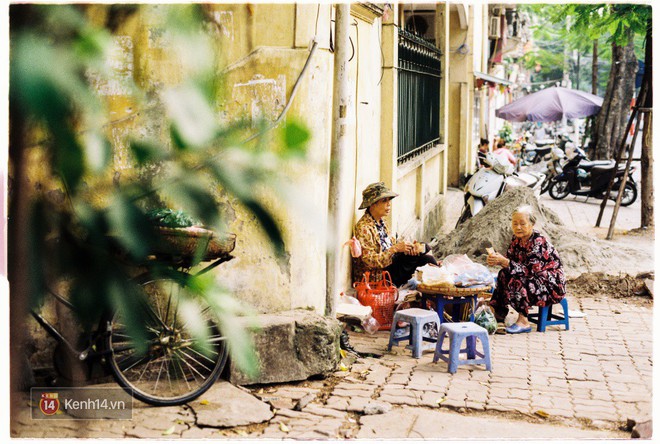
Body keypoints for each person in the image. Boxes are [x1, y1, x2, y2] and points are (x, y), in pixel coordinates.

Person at [486, 205, 566, 334]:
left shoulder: (538, 242)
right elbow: (511, 263)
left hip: (550, 284)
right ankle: (498, 313)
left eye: (522, 224)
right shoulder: (516, 239)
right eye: (515, 223)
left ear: (532, 224)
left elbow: (532, 271)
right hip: (530, 278)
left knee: (518, 279)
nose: (518, 227)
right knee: (503, 274)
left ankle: (523, 321)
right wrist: (497, 260)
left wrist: (505, 262)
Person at [353, 182, 437, 287]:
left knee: (424, 249)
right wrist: (395, 249)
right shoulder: (364, 228)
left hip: (392, 264)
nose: (388, 204)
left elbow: (391, 246)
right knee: (426, 258)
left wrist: (407, 248)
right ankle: (440, 284)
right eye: (384, 201)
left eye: (389, 201)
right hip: (380, 275)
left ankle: (440, 284)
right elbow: (369, 262)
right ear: (372, 204)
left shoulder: (381, 222)